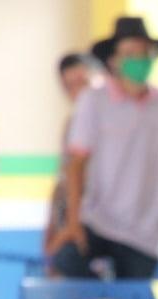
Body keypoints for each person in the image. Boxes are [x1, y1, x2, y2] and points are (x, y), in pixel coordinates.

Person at [48, 16, 158, 280]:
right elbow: (76, 165)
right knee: (68, 268)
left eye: (145, 53)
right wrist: (73, 222)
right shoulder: (93, 101)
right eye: (130, 53)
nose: (139, 60)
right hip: (98, 221)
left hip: (146, 232)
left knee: (132, 297)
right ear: (114, 60)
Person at [44, 53, 102, 262]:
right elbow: (63, 178)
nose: (79, 92)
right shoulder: (71, 125)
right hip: (69, 220)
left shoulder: (113, 125)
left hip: (99, 224)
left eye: (83, 83)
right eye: (70, 86)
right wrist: (53, 226)